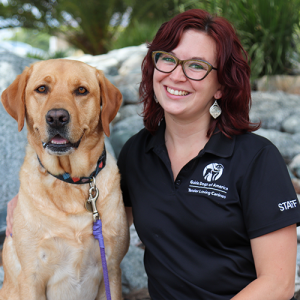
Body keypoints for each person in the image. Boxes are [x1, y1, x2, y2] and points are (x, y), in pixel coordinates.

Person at [5, 8, 300, 300]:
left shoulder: (257, 159)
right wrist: (30, 200)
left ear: (221, 85)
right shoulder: (138, 152)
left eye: (196, 66)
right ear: (154, 68)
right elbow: (97, 210)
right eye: (168, 59)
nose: (177, 75)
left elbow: (278, 283)